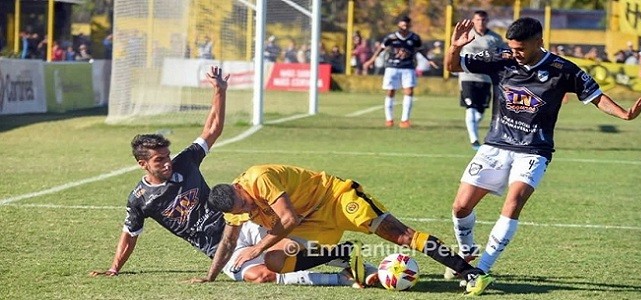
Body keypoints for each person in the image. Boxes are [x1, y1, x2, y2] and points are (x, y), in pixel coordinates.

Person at [89, 67, 358, 287]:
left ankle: (347, 258)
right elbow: (130, 234)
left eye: (167, 156)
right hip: (218, 246)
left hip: (244, 223)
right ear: (142, 164)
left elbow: (212, 129)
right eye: (160, 160)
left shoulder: (185, 162)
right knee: (260, 276)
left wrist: (220, 91)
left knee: (289, 248)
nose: (168, 163)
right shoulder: (139, 200)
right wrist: (114, 268)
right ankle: (339, 279)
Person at [444, 17, 641, 285]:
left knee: (513, 201)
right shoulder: (501, 59)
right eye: (512, 47)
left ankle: (480, 270)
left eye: (521, 48)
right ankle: (468, 250)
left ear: (539, 41)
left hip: (534, 149)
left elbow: (595, 95)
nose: (515, 53)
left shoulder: (562, 69)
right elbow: (452, 65)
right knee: (460, 207)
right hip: (496, 144)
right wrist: (454, 46)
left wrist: (625, 114)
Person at [204, 164, 493, 296]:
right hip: (312, 224)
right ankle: (344, 254)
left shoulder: (259, 178)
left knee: (401, 235)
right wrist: (210, 276)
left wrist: (257, 247)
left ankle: (471, 274)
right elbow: (228, 243)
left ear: (238, 188)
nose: (248, 209)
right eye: (242, 211)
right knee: (275, 262)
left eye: (245, 203)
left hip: (335, 198)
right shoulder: (235, 209)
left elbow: (288, 220)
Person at [364, 16, 438, 128]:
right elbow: (381, 48)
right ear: (398, 25)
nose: (404, 27)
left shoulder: (414, 38)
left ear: (409, 25)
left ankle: (405, 120)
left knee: (409, 91)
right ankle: (389, 119)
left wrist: (429, 60)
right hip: (392, 67)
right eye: (402, 25)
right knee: (390, 92)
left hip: (408, 67)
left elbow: (420, 50)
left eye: (406, 25)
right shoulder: (391, 37)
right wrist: (371, 60)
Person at [457, 10, 507, 150]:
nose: (481, 22)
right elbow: (455, 49)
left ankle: (473, 128)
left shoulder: (495, 38)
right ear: (474, 20)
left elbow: (503, 54)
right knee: (470, 108)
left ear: (487, 20)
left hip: (485, 78)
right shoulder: (466, 35)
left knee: (480, 112)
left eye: (483, 20)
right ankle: (474, 140)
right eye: (478, 20)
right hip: (467, 76)